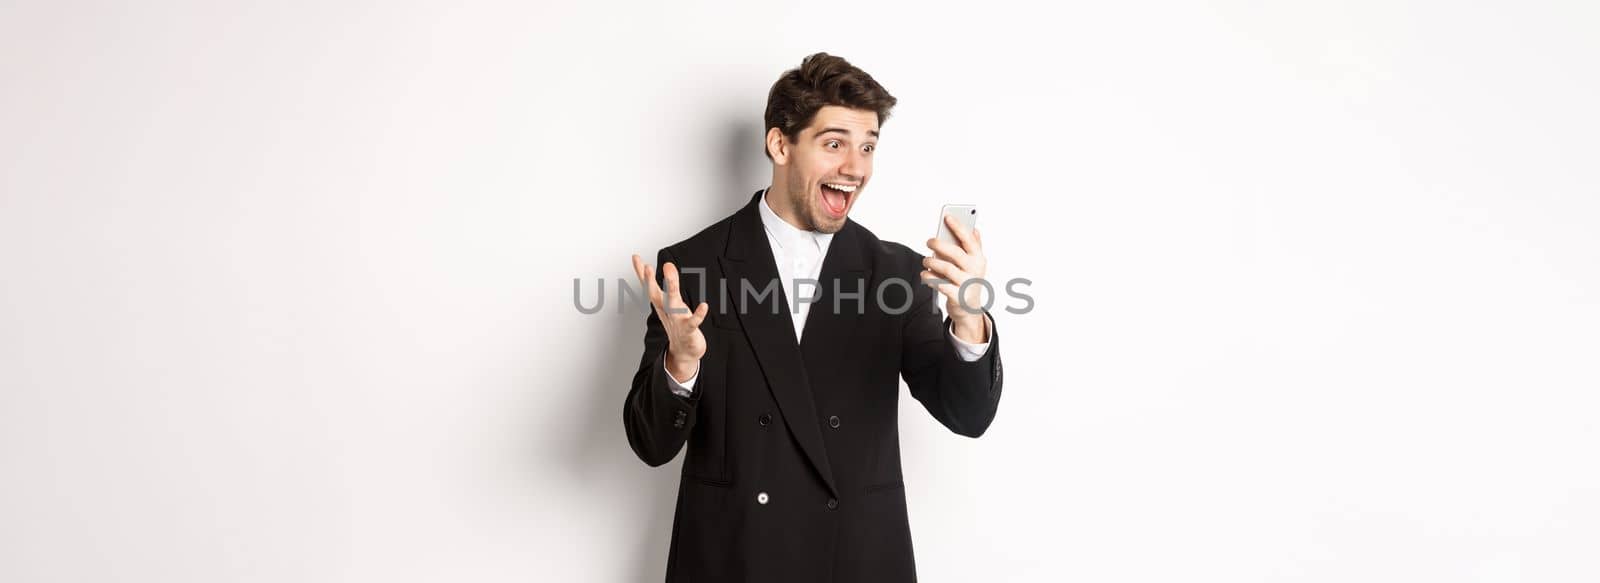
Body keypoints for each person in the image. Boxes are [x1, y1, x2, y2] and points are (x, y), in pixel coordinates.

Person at [623, 52, 1004, 582]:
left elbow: (968, 416)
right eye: (834, 144)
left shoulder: (898, 274)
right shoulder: (691, 266)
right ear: (780, 145)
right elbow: (650, 444)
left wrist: (967, 318)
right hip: (733, 557)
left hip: (855, 557)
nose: (856, 167)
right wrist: (680, 366)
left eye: (868, 146)